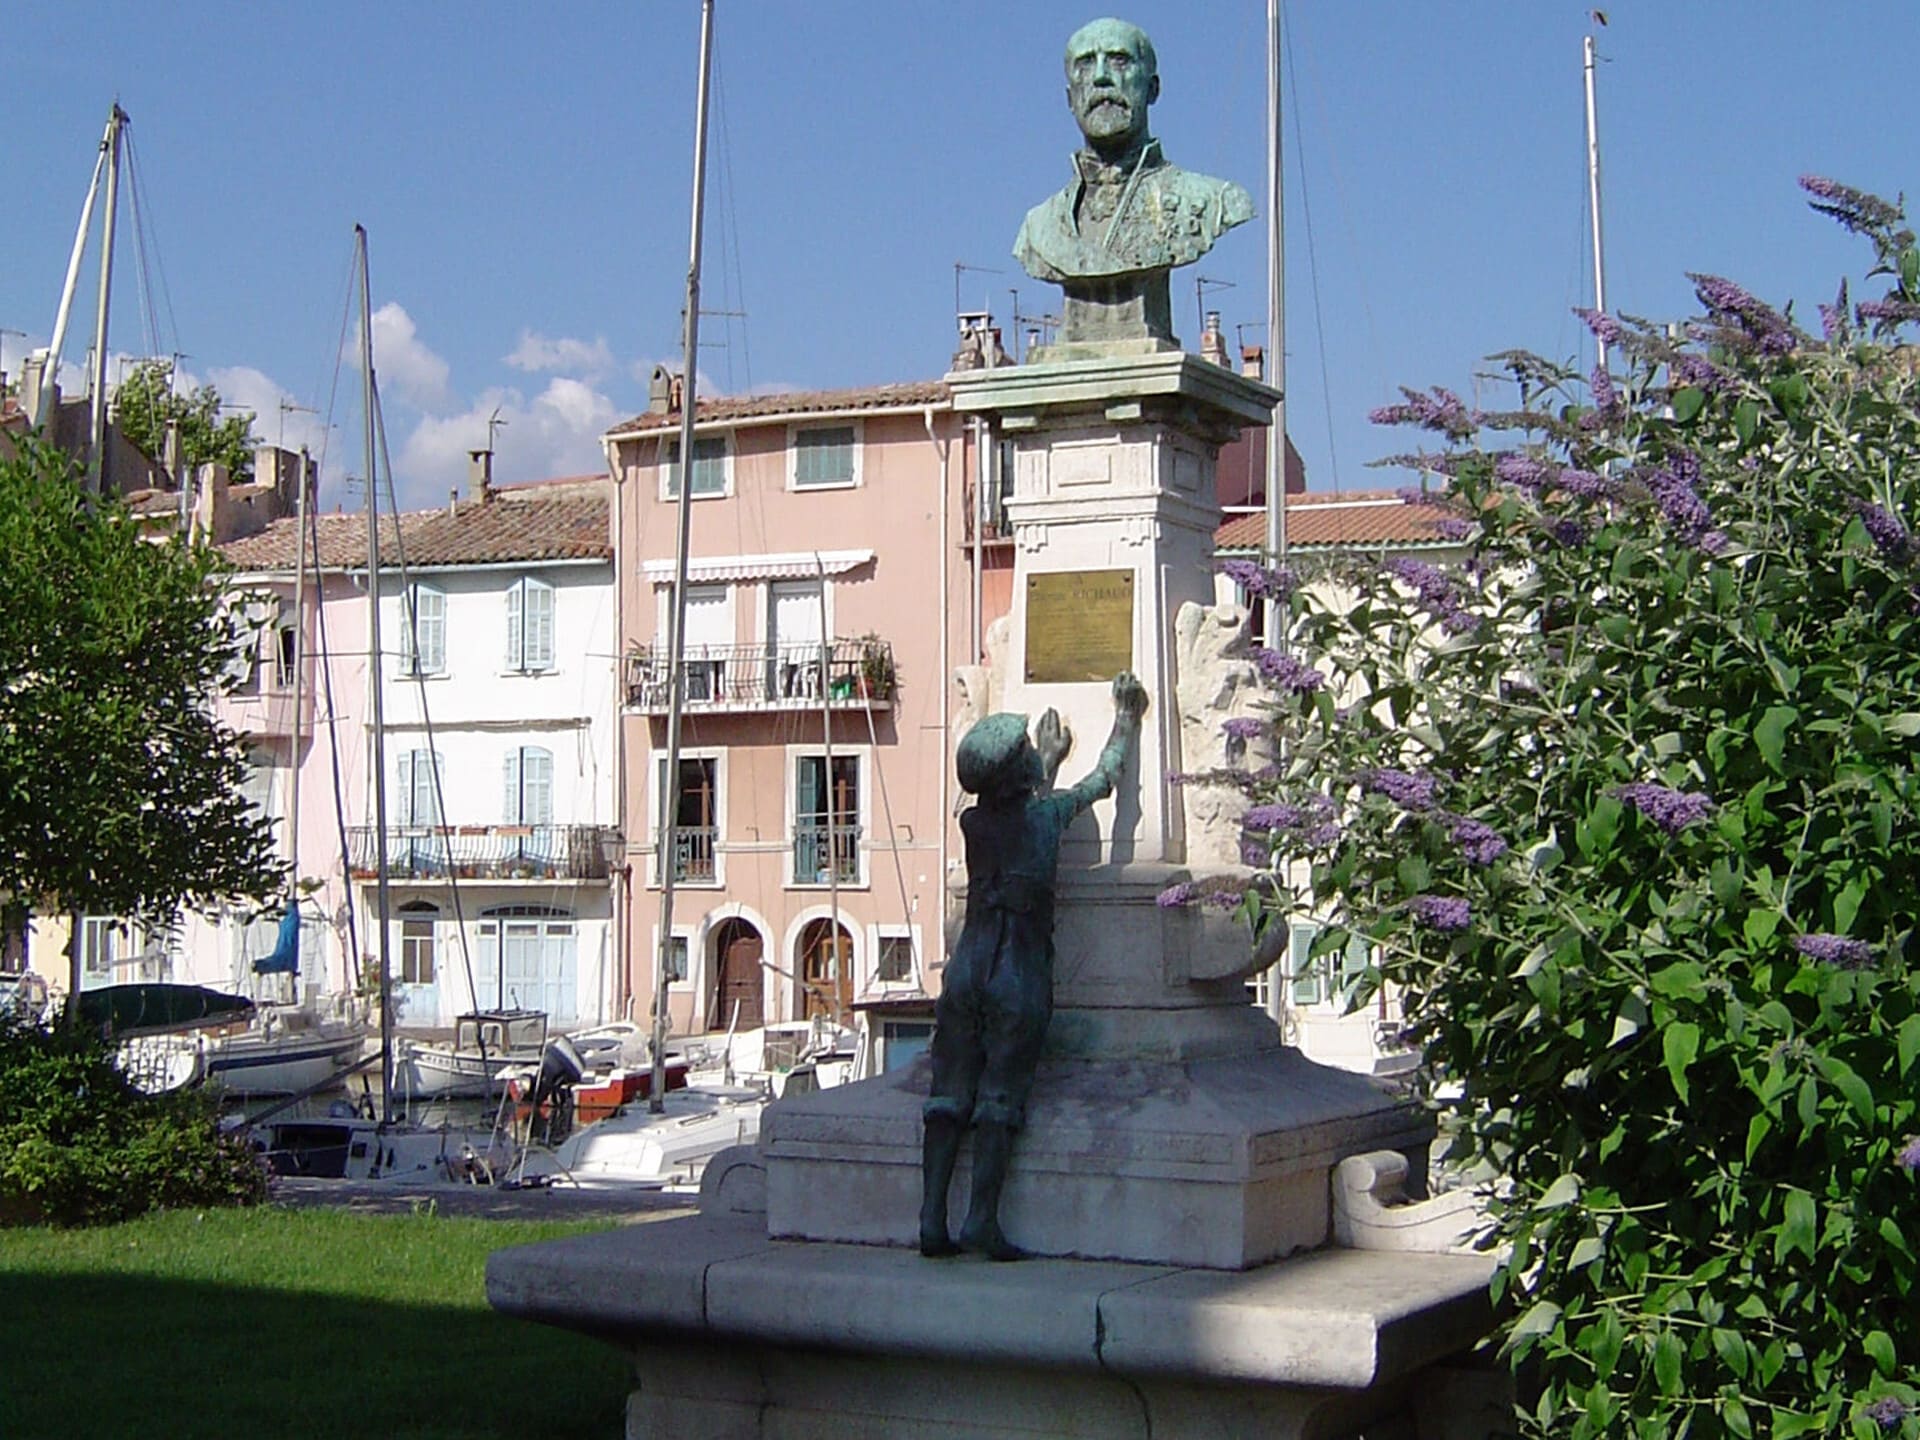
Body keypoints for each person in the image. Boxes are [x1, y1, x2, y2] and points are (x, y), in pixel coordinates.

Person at [921, 672, 1148, 1259]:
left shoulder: (975, 824)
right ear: (1021, 773)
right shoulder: (1046, 819)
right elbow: (1100, 781)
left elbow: (1016, 805)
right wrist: (1124, 719)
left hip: (968, 965)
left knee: (948, 1096)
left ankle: (930, 1222)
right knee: (999, 1097)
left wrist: (1042, 760)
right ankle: (980, 1221)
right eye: (1025, 751)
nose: (1032, 751)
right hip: (1017, 970)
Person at [1013, 18, 1253, 286]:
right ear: (1071, 99)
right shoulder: (1038, 226)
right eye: (1086, 64)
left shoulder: (1216, 199)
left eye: (1119, 61)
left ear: (1152, 89)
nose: (1101, 77)